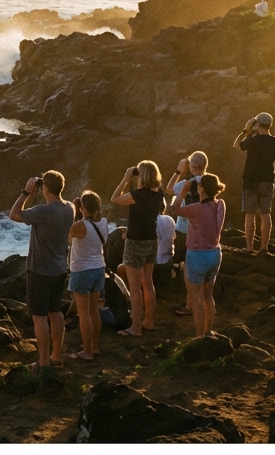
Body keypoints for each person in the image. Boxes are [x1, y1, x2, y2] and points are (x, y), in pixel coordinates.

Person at [9, 170, 75, 369]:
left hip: (39, 270)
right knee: (55, 312)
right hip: (59, 268)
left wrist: (26, 192)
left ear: (45, 189)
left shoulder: (42, 212)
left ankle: (44, 362)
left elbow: (14, 214)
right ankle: (56, 357)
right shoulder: (69, 208)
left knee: (39, 317)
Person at [110, 160, 165, 336]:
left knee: (135, 288)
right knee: (148, 283)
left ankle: (135, 327)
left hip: (135, 242)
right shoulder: (158, 194)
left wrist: (126, 179)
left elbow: (115, 198)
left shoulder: (137, 195)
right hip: (151, 241)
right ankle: (149, 320)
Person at [169, 173, 227, 337]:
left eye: (199, 185)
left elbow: (172, 210)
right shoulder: (220, 205)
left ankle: (199, 336)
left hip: (196, 256)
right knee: (208, 296)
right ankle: (208, 331)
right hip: (215, 254)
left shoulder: (195, 208)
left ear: (202, 189)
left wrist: (182, 192)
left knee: (196, 299)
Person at [165, 151, 208, 317]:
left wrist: (178, 171)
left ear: (192, 166)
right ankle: (201, 300)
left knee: (187, 266)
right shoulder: (209, 182)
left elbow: (169, 190)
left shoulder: (185, 183)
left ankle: (190, 303)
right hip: (204, 228)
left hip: (184, 229)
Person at [67, 191, 107, 361]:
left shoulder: (80, 226)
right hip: (99, 268)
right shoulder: (104, 223)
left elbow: (67, 234)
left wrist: (75, 211)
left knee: (83, 314)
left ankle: (87, 351)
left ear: (83, 208)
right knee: (93, 310)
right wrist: (81, 209)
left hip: (82, 270)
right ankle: (95, 347)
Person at [233, 112, 275, 253]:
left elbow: (237, 145)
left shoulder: (252, 141)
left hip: (250, 180)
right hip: (267, 180)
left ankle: (249, 248)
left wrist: (246, 130)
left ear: (258, 124)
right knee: (266, 214)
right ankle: (264, 248)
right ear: (270, 125)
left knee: (250, 215)